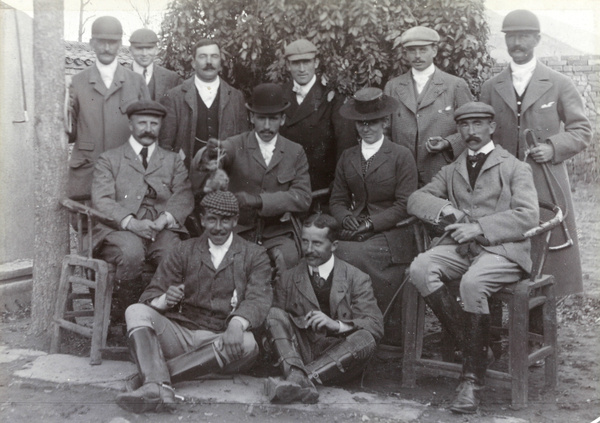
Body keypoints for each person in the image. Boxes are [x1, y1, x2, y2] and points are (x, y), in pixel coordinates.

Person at [407, 102, 539, 414]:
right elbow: (415, 199)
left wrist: (479, 227)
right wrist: (445, 209)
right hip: (464, 251)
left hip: (503, 251)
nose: (471, 132)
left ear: (492, 127)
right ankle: (478, 350)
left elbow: (529, 215)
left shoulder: (514, 166)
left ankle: (471, 380)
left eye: (478, 124)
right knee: (420, 267)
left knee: (472, 282)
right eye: (465, 126)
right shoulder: (452, 170)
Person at [115, 190, 272, 413]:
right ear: (202, 219)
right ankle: (163, 380)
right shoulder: (183, 250)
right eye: (212, 219)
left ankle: (154, 381)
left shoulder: (254, 254)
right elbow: (150, 294)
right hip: (181, 335)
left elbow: (259, 297)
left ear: (235, 221)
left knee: (248, 344)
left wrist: (237, 323)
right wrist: (164, 300)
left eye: (225, 220)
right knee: (135, 311)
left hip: (222, 339)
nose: (218, 227)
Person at [480, 9, 592, 297]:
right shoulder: (491, 87)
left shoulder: (558, 83)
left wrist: (553, 147)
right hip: (502, 181)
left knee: (546, 243)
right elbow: (480, 133)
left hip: (544, 177)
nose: (517, 43)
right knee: (503, 240)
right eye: (512, 36)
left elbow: (582, 130)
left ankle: (545, 310)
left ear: (537, 39)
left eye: (524, 36)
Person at [329, 87, 417, 346]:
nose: (366, 129)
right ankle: (340, 326)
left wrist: (371, 223)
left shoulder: (401, 155)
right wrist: (346, 218)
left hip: (393, 232)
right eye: (360, 124)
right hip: (356, 228)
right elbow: (337, 200)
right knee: (328, 250)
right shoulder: (349, 157)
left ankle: (374, 327)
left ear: (384, 122)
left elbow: (404, 205)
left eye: (372, 123)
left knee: (351, 254)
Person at [264, 213, 383, 404]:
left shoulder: (356, 278)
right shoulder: (288, 277)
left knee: (366, 338)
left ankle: (302, 379)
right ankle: (297, 375)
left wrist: (337, 325)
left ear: (334, 245)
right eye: (304, 242)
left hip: (339, 358)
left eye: (317, 244)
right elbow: (275, 325)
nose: (308, 250)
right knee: (273, 314)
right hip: (299, 353)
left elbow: (375, 325)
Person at [91, 100, 194, 319]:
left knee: (175, 255)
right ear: (130, 124)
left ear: (160, 126)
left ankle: (161, 317)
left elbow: (184, 194)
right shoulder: (109, 159)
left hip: (160, 230)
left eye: (154, 124)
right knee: (131, 253)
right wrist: (131, 223)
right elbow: (102, 200)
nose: (148, 129)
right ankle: (127, 318)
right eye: (142, 123)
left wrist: (164, 220)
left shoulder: (173, 160)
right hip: (119, 231)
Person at [192, 83, 312, 269]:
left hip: (277, 233)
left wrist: (259, 201)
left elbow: (302, 197)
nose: (266, 126)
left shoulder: (295, 152)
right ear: (251, 118)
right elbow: (218, 154)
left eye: (273, 119)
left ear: (282, 119)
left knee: (288, 258)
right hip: (237, 230)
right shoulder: (235, 144)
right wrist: (207, 156)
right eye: (261, 118)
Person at [67, 16, 150, 199]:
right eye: (101, 41)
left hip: (125, 174)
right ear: (91, 43)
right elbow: (69, 133)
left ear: (120, 44)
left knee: (123, 224)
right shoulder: (77, 81)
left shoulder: (136, 82)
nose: (106, 48)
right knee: (85, 225)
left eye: (112, 42)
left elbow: (149, 132)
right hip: (87, 175)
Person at [384, 26, 472, 185]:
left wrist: (447, 143)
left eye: (423, 50)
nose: (417, 56)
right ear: (405, 53)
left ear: (435, 50)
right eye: (411, 50)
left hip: (442, 173)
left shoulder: (455, 85)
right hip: (401, 174)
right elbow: (385, 131)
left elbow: (471, 129)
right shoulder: (393, 87)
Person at [160, 39, 250, 170]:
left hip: (225, 177)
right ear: (193, 63)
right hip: (184, 176)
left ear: (220, 63)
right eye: (203, 56)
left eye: (214, 56)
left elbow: (243, 143)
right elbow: (165, 146)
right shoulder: (174, 97)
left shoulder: (236, 97)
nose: (209, 62)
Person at [279, 39, 356, 191]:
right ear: (288, 65)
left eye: (307, 62)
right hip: (285, 184)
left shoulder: (334, 96)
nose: (302, 69)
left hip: (321, 186)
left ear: (316, 63)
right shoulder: (279, 94)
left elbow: (346, 145)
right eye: (296, 63)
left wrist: (339, 185)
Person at [128, 28, 182, 101]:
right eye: (139, 48)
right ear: (131, 50)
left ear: (156, 50)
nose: (144, 54)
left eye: (149, 48)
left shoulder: (172, 79)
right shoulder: (119, 77)